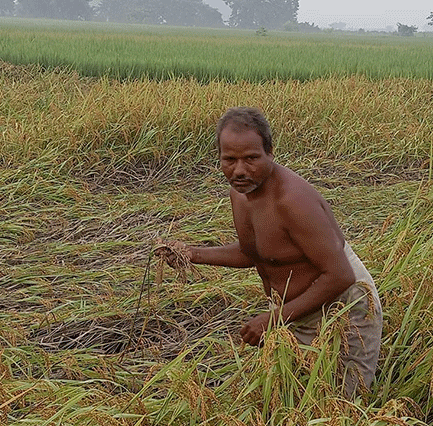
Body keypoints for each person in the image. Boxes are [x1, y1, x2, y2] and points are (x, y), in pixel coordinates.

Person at [157, 107, 382, 398]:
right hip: (298, 311)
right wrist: (192, 254)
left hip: (343, 306)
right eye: (230, 160)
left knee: (340, 402)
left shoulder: (292, 201)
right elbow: (255, 253)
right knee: (293, 394)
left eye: (251, 158)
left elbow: (340, 275)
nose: (239, 170)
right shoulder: (241, 193)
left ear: (270, 153)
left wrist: (273, 319)